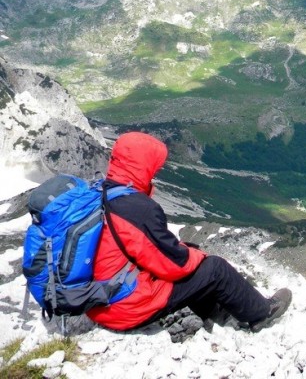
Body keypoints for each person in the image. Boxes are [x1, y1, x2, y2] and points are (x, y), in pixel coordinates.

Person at [86, 131, 291, 333]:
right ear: (142, 165)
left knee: (192, 258)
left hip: (99, 302)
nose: (155, 173)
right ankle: (262, 313)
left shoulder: (101, 193)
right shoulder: (136, 208)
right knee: (214, 267)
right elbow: (176, 265)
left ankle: (220, 315)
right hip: (125, 308)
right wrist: (197, 255)